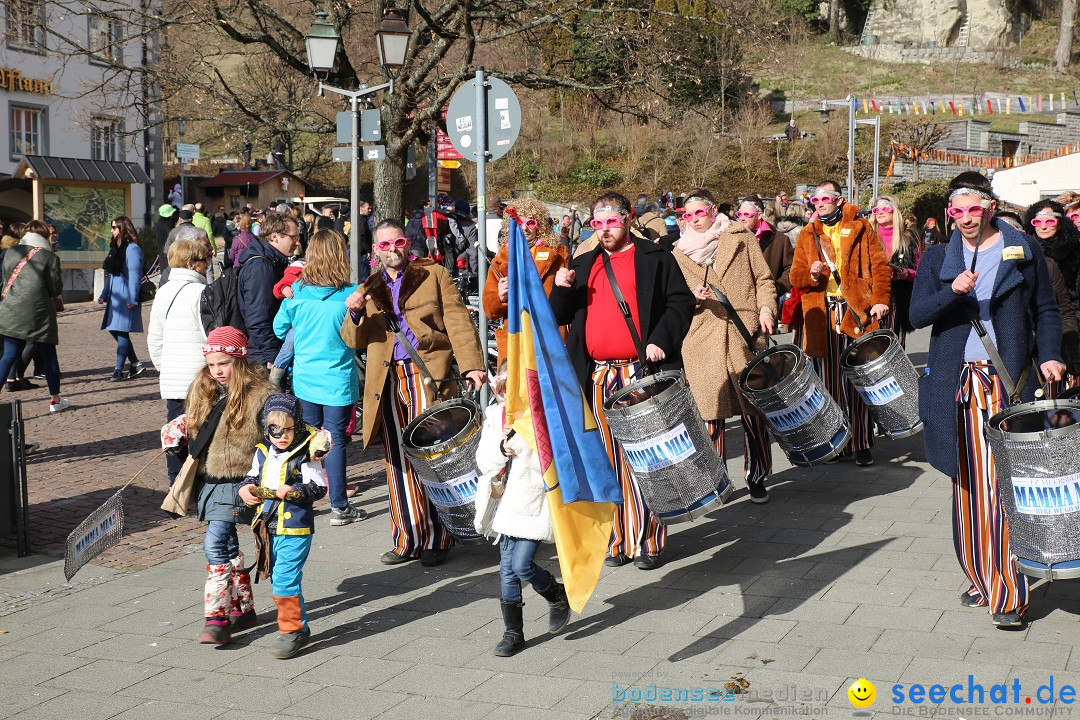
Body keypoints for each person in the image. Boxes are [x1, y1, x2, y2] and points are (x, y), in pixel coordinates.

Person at [909, 171, 1064, 629]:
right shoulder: (938, 255)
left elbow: (1047, 310)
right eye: (957, 211)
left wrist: (1051, 355)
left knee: (1004, 487)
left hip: (1008, 383)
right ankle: (982, 575)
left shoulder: (1022, 248)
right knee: (970, 486)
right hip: (956, 385)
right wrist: (950, 291)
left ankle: (1007, 593)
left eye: (974, 209)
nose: (965, 219)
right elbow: (916, 316)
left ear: (990, 207)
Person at [549, 191, 694, 570]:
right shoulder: (583, 263)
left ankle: (648, 540)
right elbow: (559, 317)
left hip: (639, 372)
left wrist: (661, 339)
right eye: (597, 224)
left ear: (628, 219)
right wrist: (561, 288)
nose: (604, 230)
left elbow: (681, 303)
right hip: (598, 376)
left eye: (611, 222)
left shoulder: (656, 258)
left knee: (645, 459)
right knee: (606, 461)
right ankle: (619, 539)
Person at [341, 219, 486, 567]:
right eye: (385, 245)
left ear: (408, 244)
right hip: (388, 381)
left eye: (398, 242)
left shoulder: (432, 274)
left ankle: (438, 536)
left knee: (432, 458)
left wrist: (472, 366)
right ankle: (408, 537)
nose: (392, 249)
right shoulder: (369, 285)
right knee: (396, 459)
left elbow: (457, 321)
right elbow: (352, 339)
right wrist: (355, 312)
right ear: (376, 250)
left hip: (427, 376)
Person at [162, 327, 273, 645]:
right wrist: (180, 429)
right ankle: (245, 609)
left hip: (238, 483)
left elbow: (277, 434)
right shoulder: (204, 388)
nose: (217, 370)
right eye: (212, 364)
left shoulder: (260, 395)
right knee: (225, 545)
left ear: (239, 359)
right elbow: (199, 428)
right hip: (208, 483)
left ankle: (217, 617)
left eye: (223, 363)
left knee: (214, 545)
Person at [673, 190, 777, 503]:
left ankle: (757, 476)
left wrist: (766, 309)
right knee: (710, 417)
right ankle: (716, 482)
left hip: (744, 333)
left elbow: (764, 279)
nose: (694, 220)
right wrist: (693, 297)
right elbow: (673, 300)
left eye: (699, 213)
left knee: (753, 413)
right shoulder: (678, 252)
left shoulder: (740, 236)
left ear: (713, 209)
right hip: (702, 339)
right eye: (688, 215)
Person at [789, 181, 891, 467]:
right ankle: (838, 443)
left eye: (825, 198)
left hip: (854, 311)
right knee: (829, 382)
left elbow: (880, 267)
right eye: (815, 200)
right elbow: (795, 278)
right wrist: (811, 274)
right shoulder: (808, 233)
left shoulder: (861, 227)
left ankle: (861, 442)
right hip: (822, 314)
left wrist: (881, 299)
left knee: (858, 380)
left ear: (839, 200)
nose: (819, 203)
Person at [473, 361, 568, 657]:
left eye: (510, 393)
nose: (504, 399)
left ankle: (555, 593)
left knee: (521, 565)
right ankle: (513, 632)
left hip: (530, 502)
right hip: (502, 504)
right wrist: (502, 448)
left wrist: (520, 439)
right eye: (500, 393)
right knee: (507, 571)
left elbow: (546, 465)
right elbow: (484, 461)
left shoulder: (537, 418)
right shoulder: (493, 416)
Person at [272, 230, 365, 526]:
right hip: (337, 378)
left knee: (309, 439)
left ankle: (307, 499)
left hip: (305, 379)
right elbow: (359, 337)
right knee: (335, 439)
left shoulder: (297, 292)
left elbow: (279, 328)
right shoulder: (350, 296)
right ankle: (339, 506)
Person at [238, 394, 329, 659]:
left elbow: (319, 488)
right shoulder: (262, 451)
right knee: (280, 579)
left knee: (285, 581)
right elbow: (251, 476)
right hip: (267, 527)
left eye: (288, 429)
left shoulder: (307, 452)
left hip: (296, 528)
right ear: (266, 429)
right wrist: (245, 489)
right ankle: (299, 627)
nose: (282, 436)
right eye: (274, 430)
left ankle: (291, 631)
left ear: (297, 426)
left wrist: (293, 490)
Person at [148, 236, 210, 486]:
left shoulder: (163, 291)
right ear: (193, 263)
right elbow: (210, 335)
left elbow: (155, 337)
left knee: (175, 432)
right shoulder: (202, 292)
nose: (207, 263)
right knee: (201, 431)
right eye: (204, 259)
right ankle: (197, 484)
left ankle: (176, 484)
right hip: (199, 375)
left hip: (173, 377)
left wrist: (165, 368)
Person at [482, 197, 570, 366]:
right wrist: (499, 297)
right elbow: (489, 309)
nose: (524, 227)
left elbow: (568, 300)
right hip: (515, 340)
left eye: (530, 222)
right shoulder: (501, 259)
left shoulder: (559, 253)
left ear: (540, 225)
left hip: (549, 339)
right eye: (518, 222)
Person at [0, 219, 67, 412]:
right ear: (45, 235)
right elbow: (55, 288)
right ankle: (55, 400)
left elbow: (5, 279)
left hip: (11, 309)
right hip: (39, 312)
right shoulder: (49, 257)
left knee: (9, 354)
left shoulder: (10, 252)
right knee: (49, 355)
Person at [1023, 199, 1080, 392]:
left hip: (1070, 323)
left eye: (1050, 221)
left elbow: (1068, 305)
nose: (1043, 226)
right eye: (1037, 222)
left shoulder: (1075, 250)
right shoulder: (1027, 252)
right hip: (1040, 325)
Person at [238, 211, 295, 367]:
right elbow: (258, 320)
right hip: (262, 358)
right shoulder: (261, 267)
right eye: (293, 237)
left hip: (263, 352)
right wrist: (274, 356)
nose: (297, 243)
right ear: (275, 236)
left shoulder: (272, 262)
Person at [867, 195, 923, 348]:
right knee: (872, 346)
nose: (880, 212)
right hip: (871, 298)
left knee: (894, 344)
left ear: (894, 212)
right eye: (876, 209)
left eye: (885, 208)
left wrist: (907, 273)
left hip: (898, 299)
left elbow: (920, 272)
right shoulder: (867, 236)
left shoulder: (909, 237)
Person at [99, 216, 146, 382]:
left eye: (114, 228)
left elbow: (135, 275)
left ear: (123, 229)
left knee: (122, 331)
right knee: (114, 329)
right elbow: (112, 274)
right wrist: (104, 294)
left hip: (126, 295)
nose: (112, 231)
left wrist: (133, 298)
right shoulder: (116, 248)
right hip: (116, 295)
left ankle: (118, 369)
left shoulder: (132, 249)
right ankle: (135, 363)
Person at [735, 197, 793, 309]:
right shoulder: (731, 237)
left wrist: (775, 288)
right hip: (738, 304)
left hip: (766, 304)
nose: (741, 218)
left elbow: (791, 269)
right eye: (739, 214)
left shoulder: (780, 239)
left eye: (747, 214)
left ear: (759, 215)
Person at [155, 204, 177, 282]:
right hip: (168, 250)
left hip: (161, 249)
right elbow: (172, 237)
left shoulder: (158, 223)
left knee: (164, 273)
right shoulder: (168, 224)